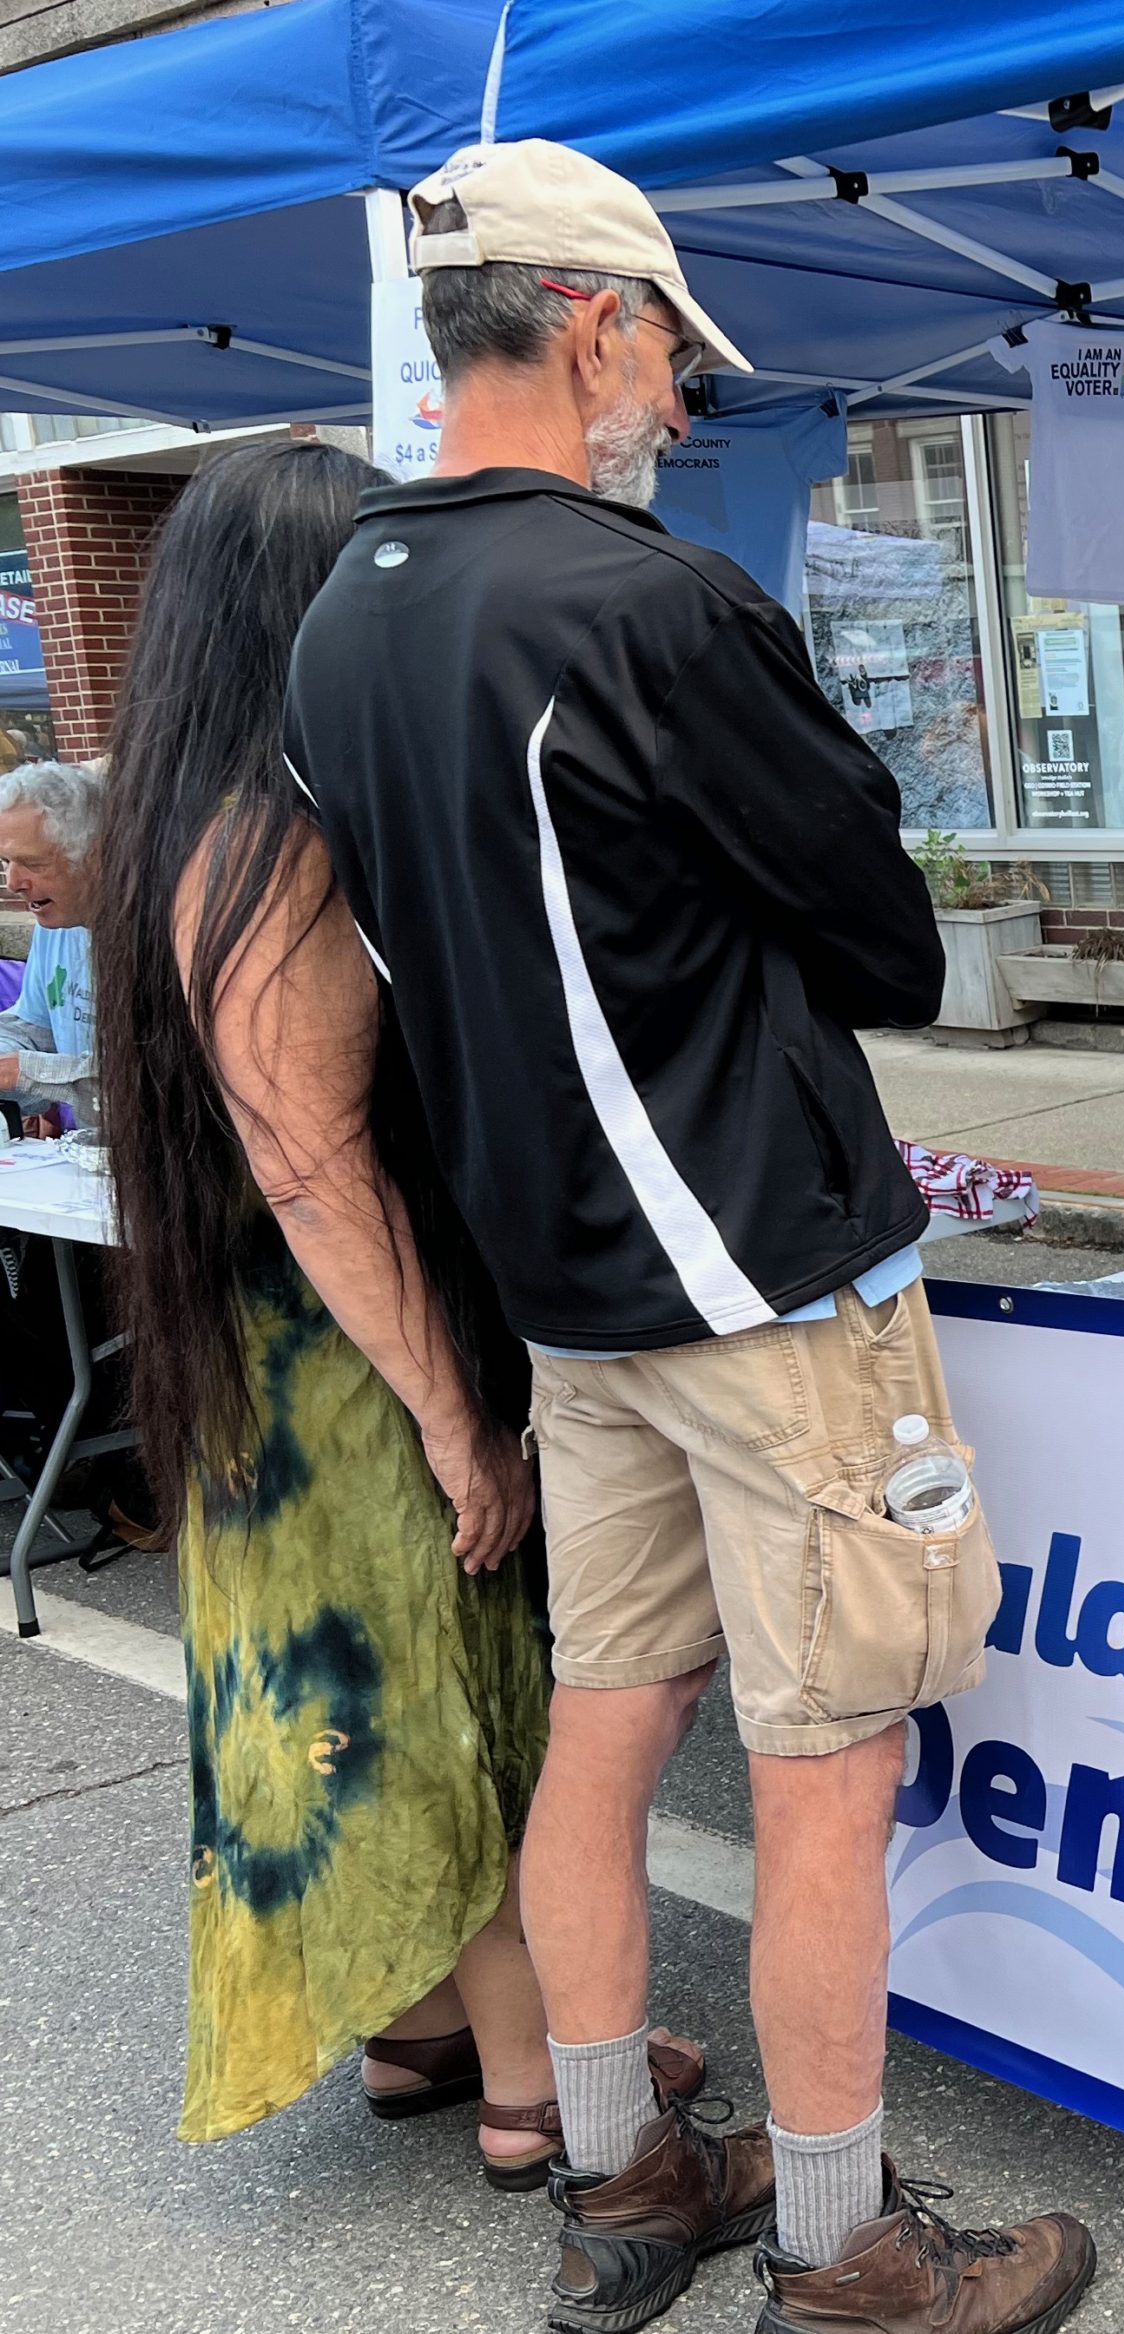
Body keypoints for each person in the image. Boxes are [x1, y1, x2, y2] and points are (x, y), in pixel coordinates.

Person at [283, 142, 1091, 2334]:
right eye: (663, 339)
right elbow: (892, 943)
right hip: (756, 1265)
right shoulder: (648, 602)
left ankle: (628, 2179)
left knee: (609, 1718)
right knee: (832, 1761)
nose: (675, 387)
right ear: (583, 320)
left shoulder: (341, 608)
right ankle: (846, 2254)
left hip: (562, 1280)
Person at [86, 438, 641, 2170]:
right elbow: (316, 1159)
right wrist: (455, 1413)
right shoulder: (265, 833)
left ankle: (415, 2033)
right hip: (345, 1359)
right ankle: (535, 2086)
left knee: (382, 1692)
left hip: (282, 1353)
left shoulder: (184, 811)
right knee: (431, 1689)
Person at [0, 757, 104, 1129]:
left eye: (32, 862)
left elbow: (165, 1077)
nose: (13, 881)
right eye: (6, 861)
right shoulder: (54, 924)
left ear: (95, 857)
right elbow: (34, 1028)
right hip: (83, 1163)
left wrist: (27, 1072)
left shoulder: (165, 931)